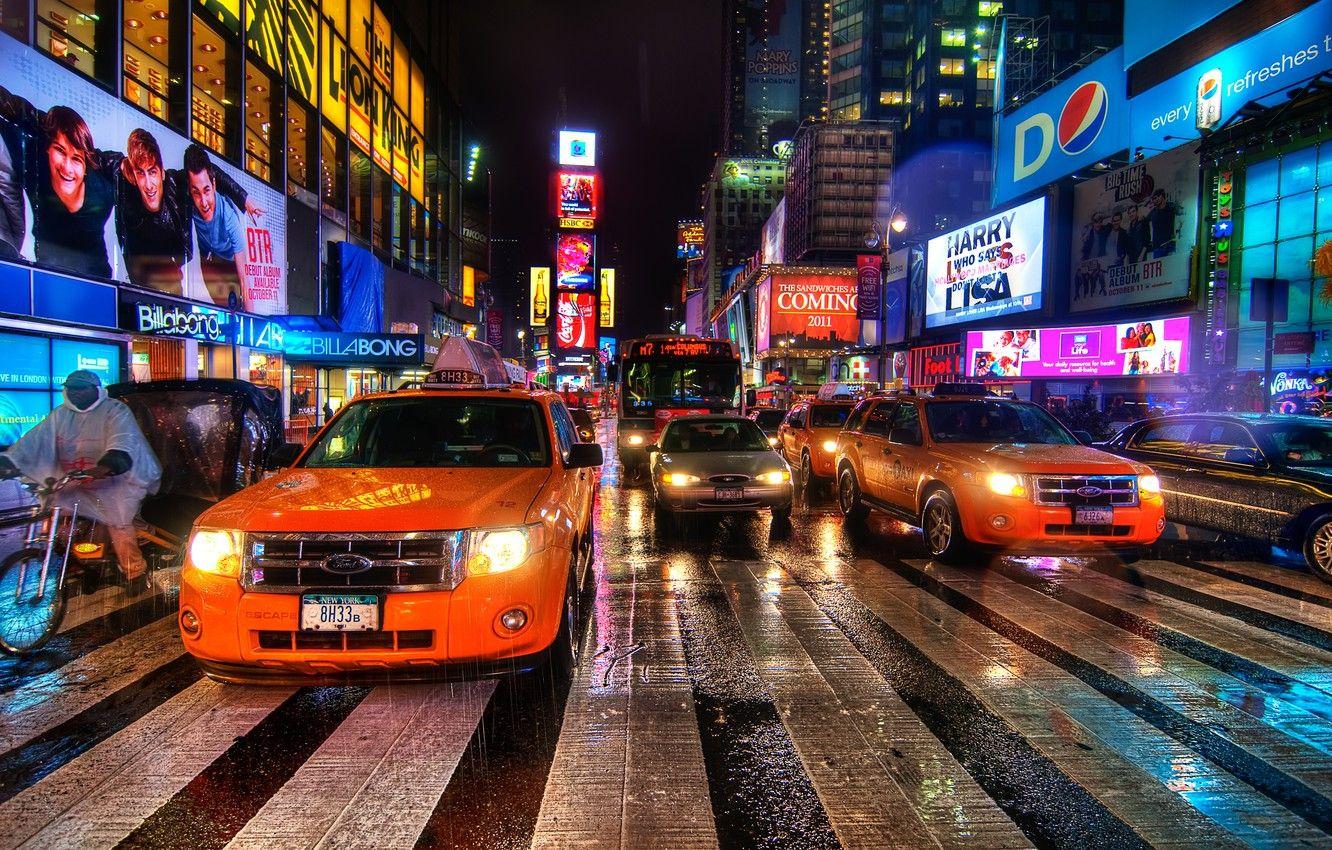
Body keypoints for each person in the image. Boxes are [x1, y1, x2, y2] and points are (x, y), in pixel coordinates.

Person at [0, 371, 162, 594]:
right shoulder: (60, 416)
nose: (74, 393)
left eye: (80, 388)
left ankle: (135, 572)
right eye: (71, 388)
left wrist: (106, 466)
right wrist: (9, 461)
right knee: (57, 518)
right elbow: (32, 442)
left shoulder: (114, 411)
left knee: (118, 523)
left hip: (116, 480)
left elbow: (123, 442)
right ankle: (76, 561)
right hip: (76, 480)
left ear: (95, 389)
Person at [118, 129, 258, 293]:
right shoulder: (126, 192)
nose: (148, 185)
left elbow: (207, 172)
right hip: (141, 281)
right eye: (141, 173)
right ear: (133, 174)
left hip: (175, 277)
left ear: (162, 171)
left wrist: (244, 198)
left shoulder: (176, 184)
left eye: (153, 171)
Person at [185, 144, 250, 309]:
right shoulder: (187, 203)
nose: (204, 202)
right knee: (220, 308)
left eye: (206, 191)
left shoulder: (229, 217)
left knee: (237, 306)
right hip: (208, 259)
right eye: (196, 193)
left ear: (214, 185)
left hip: (230, 263)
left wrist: (253, 323)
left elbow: (244, 277)